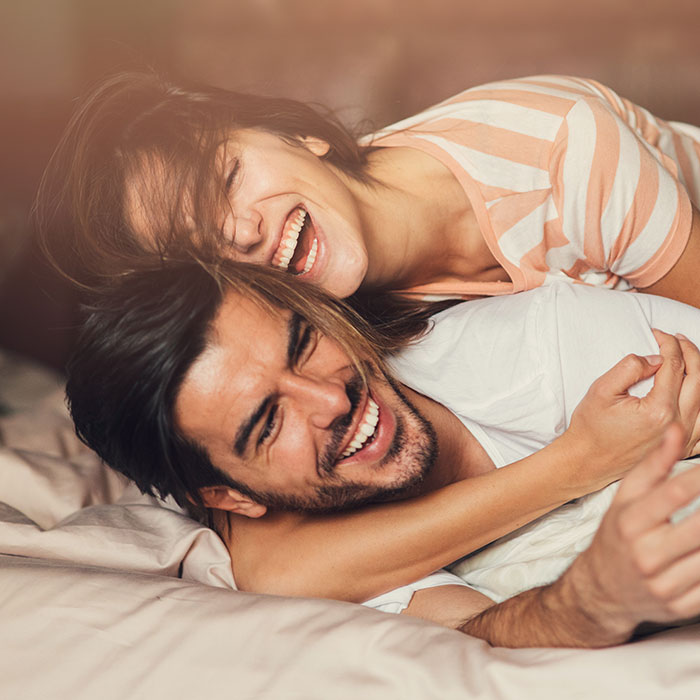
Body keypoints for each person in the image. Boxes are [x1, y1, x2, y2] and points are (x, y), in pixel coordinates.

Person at [64, 259, 700, 647]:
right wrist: (593, 598)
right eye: (268, 420)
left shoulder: (545, 346)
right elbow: (477, 633)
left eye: (303, 343)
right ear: (230, 497)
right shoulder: (321, 562)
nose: (329, 400)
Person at [37, 71, 700, 309]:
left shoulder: (561, 152)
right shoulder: (316, 326)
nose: (239, 233)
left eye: (228, 179)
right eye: (200, 248)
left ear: (301, 136)